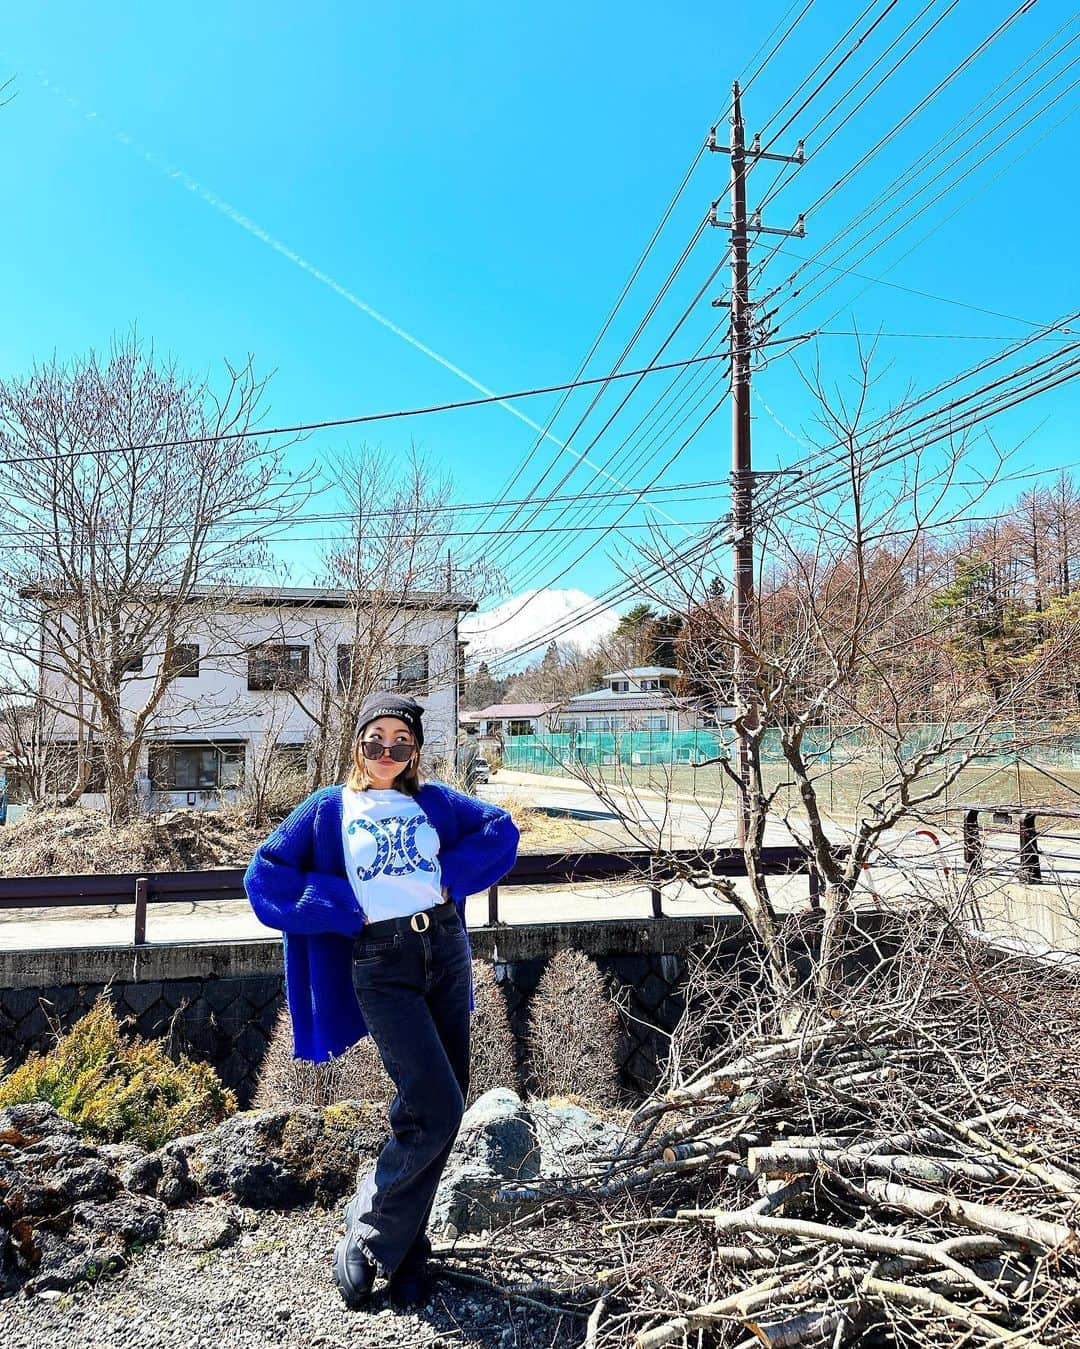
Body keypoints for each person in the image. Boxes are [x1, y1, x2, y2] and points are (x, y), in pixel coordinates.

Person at [244, 692, 519, 1312]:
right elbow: (265, 877)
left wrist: (452, 874)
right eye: (376, 740)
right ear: (357, 743)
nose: (388, 751)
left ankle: (405, 1250)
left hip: (443, 952)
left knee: (432, 1111)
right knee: (437, 1104)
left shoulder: (433, 801)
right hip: (381, 963)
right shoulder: (328, 808)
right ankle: (370, 1229)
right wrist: (338, 905)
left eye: (402, 741)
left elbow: (501, 831)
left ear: (415, 749)